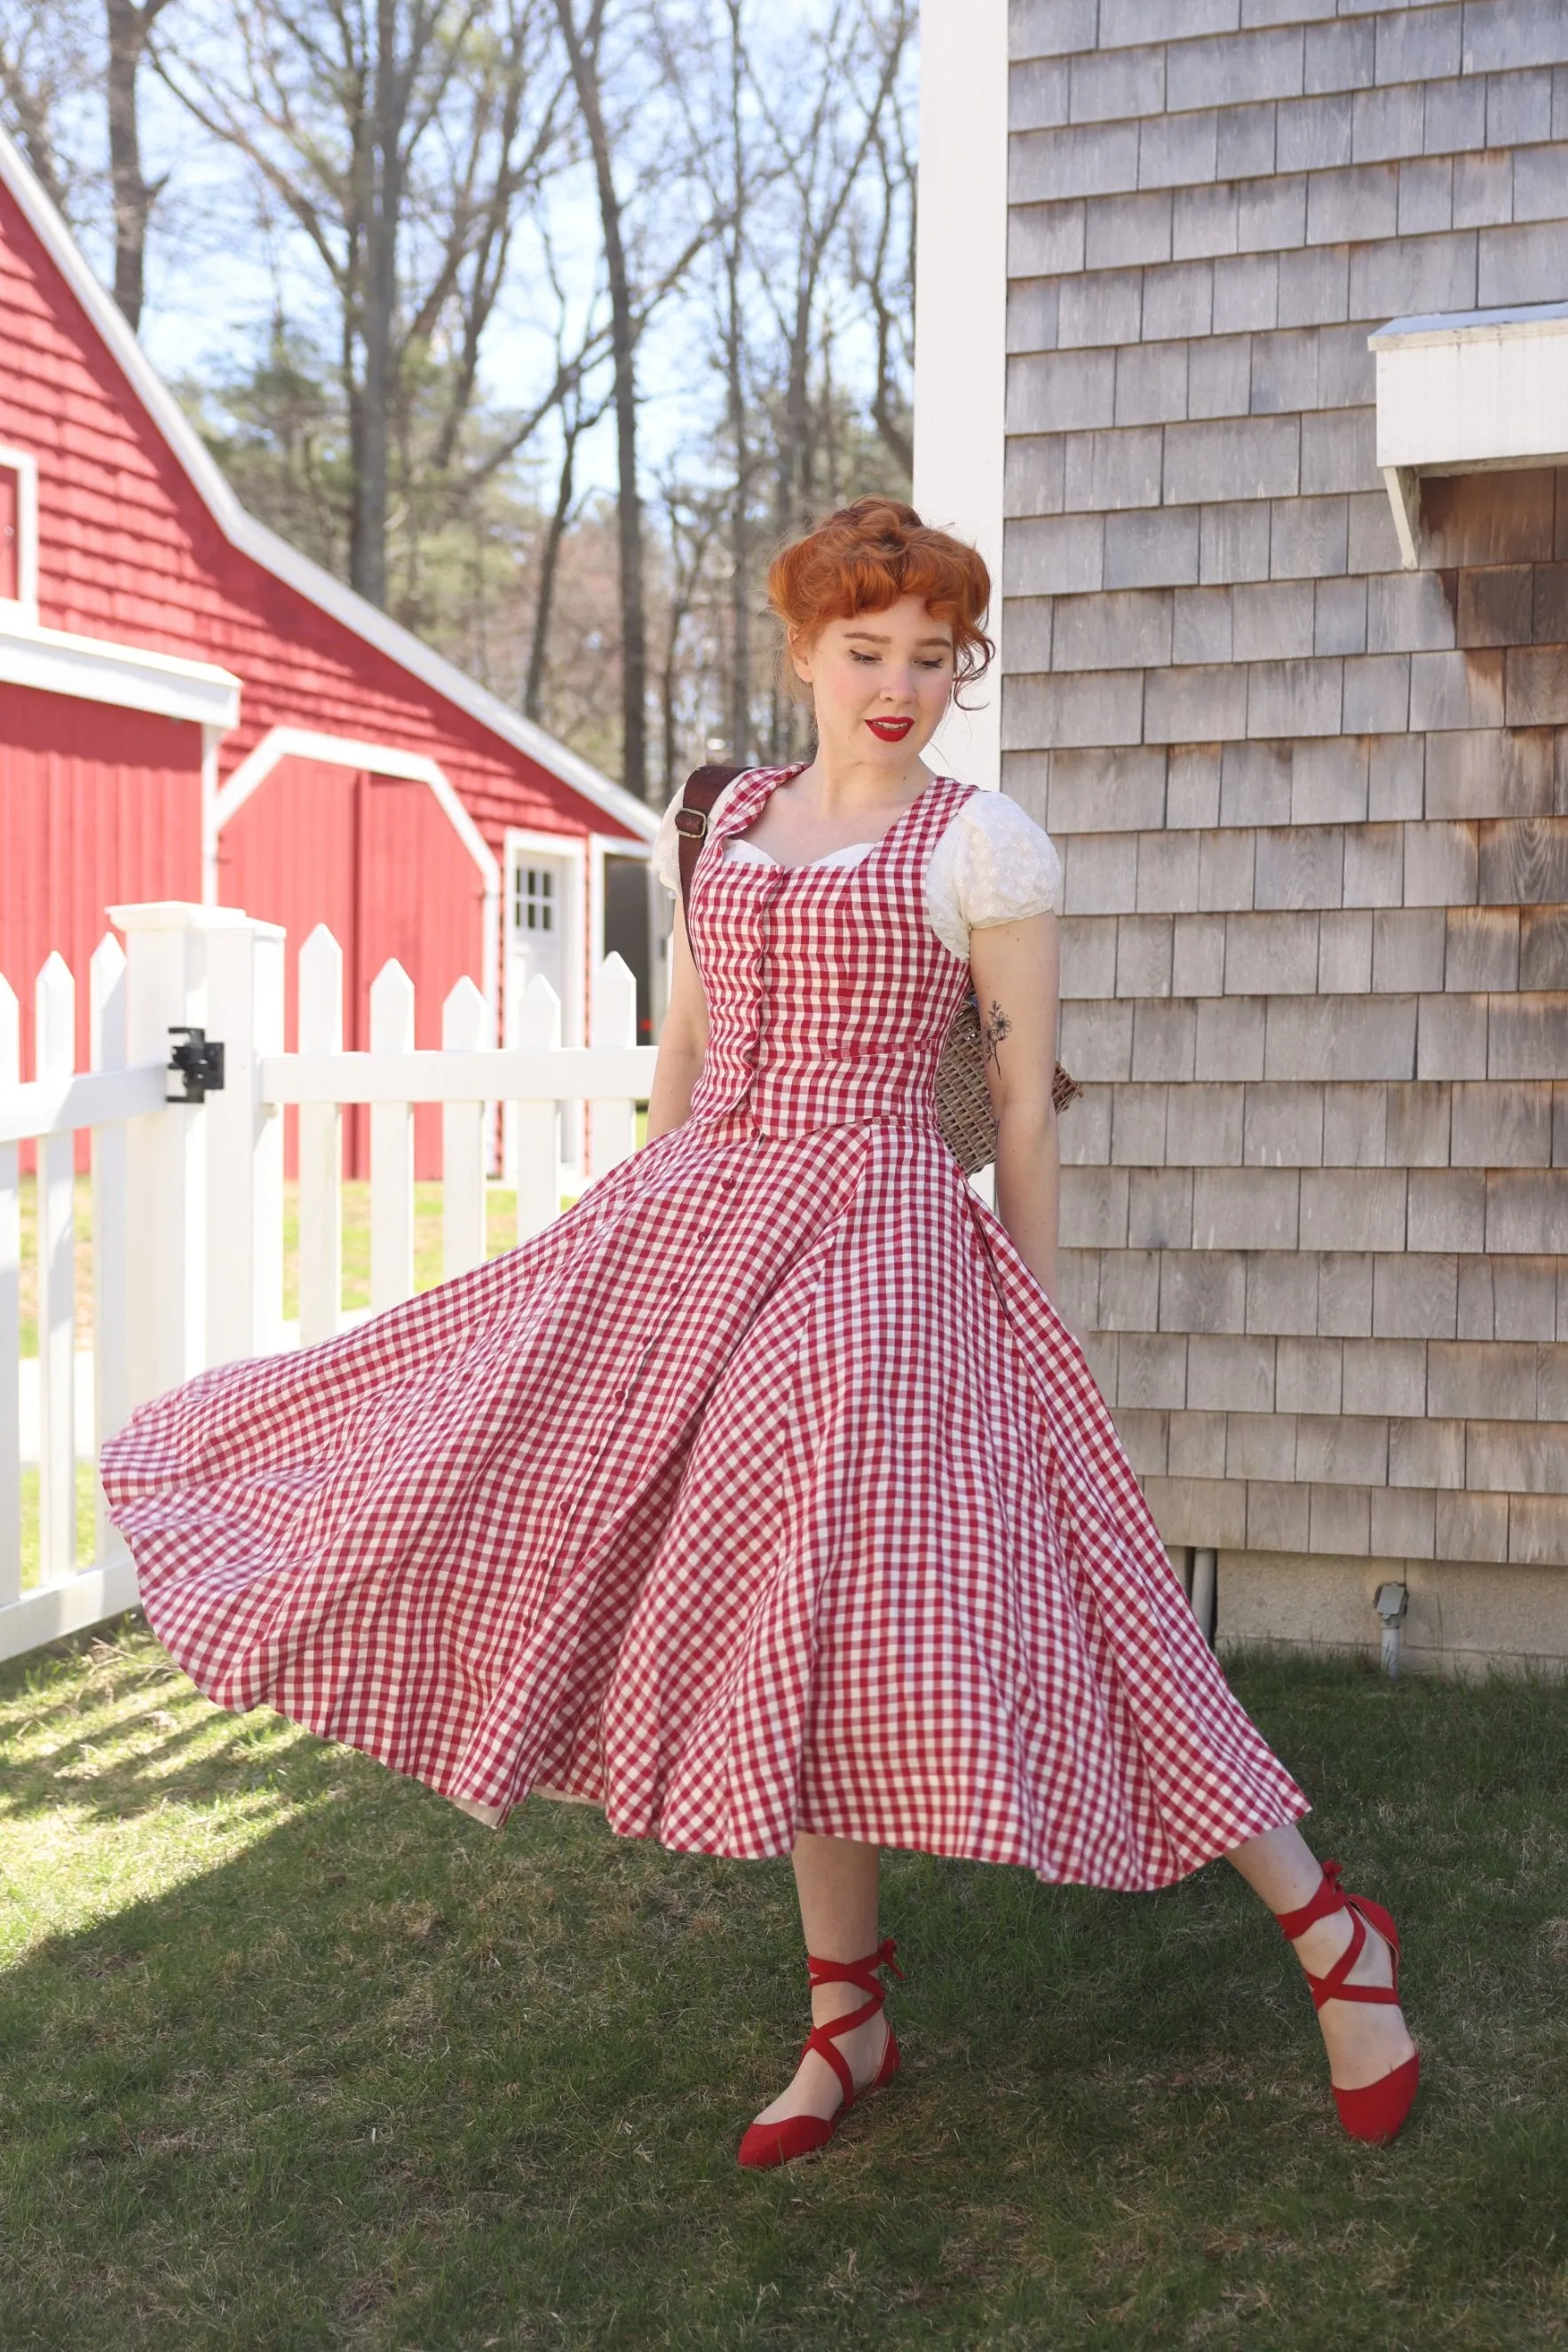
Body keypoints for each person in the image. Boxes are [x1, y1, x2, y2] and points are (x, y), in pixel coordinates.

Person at [101, 496, 1419, 2169]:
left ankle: (1330, 1931)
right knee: (740, 1602)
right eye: (865, 651)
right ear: (801, 651)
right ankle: (846, 2015)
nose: (899, 687)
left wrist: (1039, 1314)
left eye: (932, 657)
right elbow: (686, 1053)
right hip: (696, 1225)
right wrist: (626, 1246)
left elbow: (1019, 1108)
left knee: (1064, 1590)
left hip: (873, 1243)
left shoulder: (984, 845)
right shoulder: (726, 819)